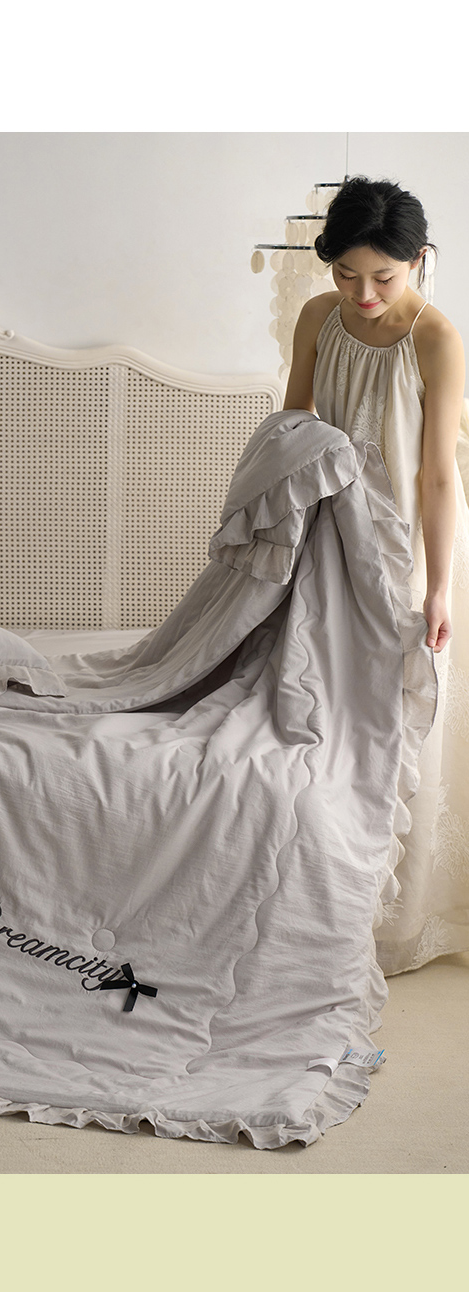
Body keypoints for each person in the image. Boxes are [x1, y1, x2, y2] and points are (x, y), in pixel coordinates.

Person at [283, 175, 469, 974]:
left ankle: (386, 916)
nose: (362, 295)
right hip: (326, 534)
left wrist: (439, 587)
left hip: (405, 547)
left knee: (388, 716)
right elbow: (293, 426)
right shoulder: (317, 318)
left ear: (419, 260)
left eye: (383, 277)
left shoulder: (437, 339)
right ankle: (314, 905)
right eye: (345, 274)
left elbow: (438, 474)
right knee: (317, 712)